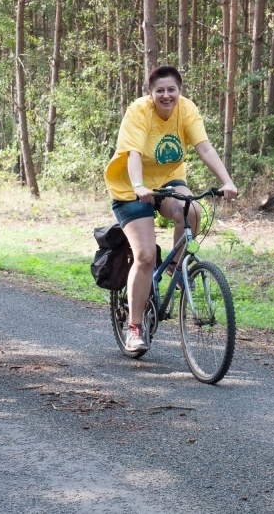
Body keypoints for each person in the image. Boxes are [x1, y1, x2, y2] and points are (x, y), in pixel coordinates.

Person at [104, 65, 237, 352]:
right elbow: (134, 154)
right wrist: (139, 186)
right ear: (150, 94)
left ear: (180, 91)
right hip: (131, 187)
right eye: (159, 91)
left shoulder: (186, 110)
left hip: (167, 180)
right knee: (146, 255)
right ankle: (135, 327)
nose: (166, 95)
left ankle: (177, 265)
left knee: (192, 210)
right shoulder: (139, 111)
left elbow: (205, 148)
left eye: (171, 90)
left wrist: (226, 181)